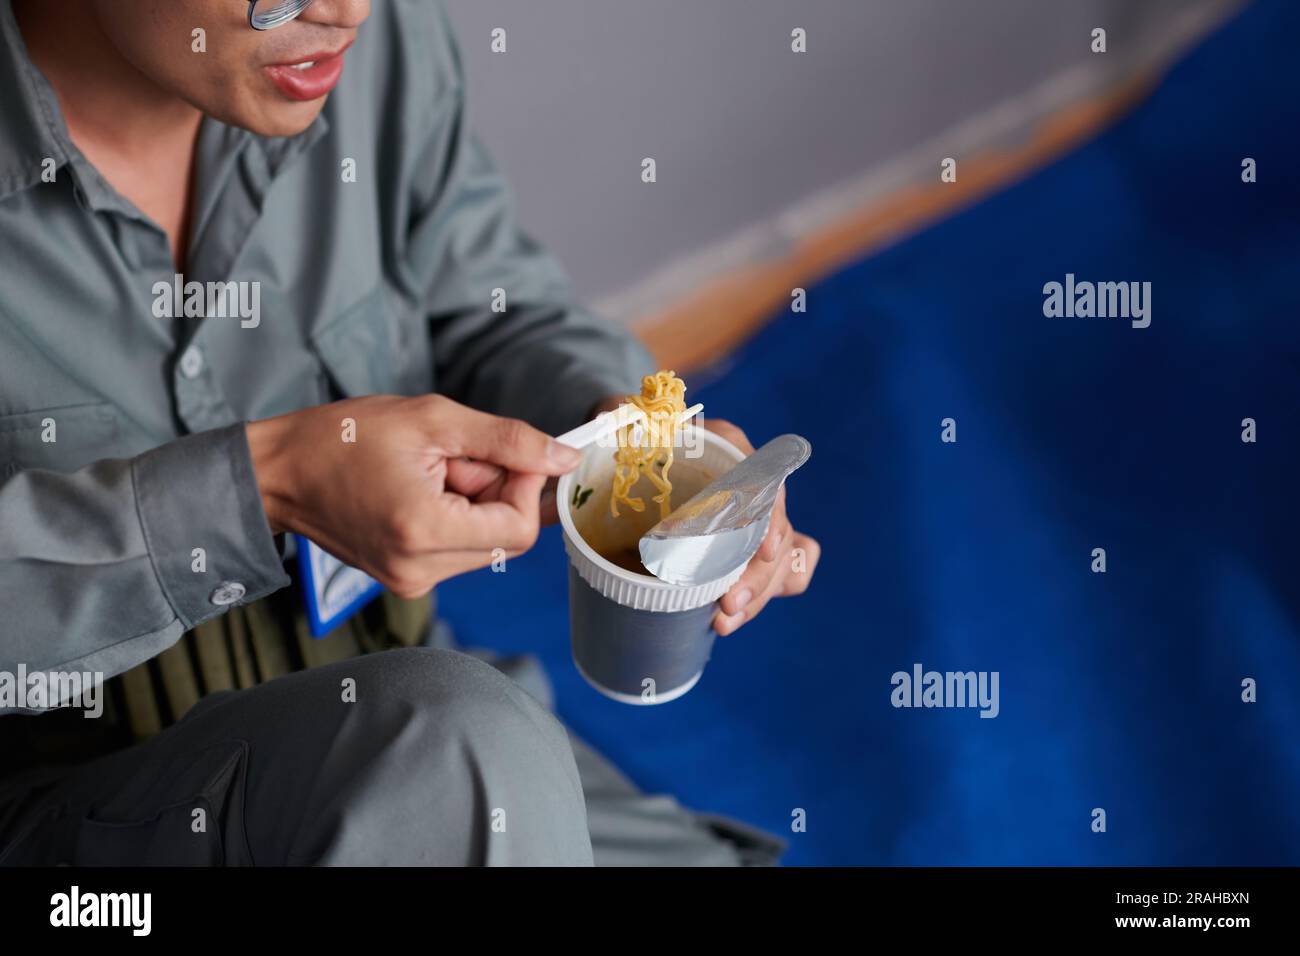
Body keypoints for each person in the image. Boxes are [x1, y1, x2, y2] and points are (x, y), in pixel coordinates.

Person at [0, 0, 819, 866]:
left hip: (402, 729)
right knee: (458, 753)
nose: (346, 10)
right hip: (75, 823)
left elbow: (487, 303)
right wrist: (262, 488)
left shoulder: (369, 47)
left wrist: (634, 441)